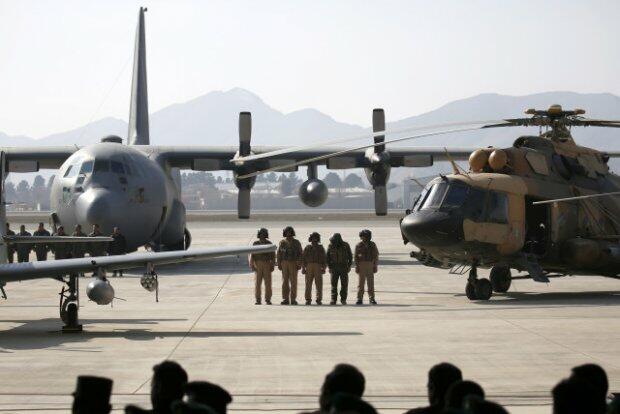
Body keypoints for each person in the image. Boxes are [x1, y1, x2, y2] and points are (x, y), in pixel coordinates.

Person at [276, 226, 302, 305]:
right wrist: (279, 263)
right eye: (287, 232)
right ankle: (285, 299)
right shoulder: (282, 242)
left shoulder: (296, 242)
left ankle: (293, 299)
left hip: (293, 263)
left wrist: (299, 263)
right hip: (284, 263)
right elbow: (279, 253)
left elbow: (300, 253)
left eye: (290, 232)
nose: (288, 233)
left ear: (292, 233)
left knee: (293, 282)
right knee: (285, 282)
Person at [250, 228, 275, 305]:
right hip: (258, 264)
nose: (262, 235)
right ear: (259, 234)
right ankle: (258, 299)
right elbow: (252, 255)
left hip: (267, 264)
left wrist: (272, 265)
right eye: (261, 234)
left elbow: (273, 256)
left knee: (268, 283)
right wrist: (252, 265)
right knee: (257, 283)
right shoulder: (255, 244)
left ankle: (268, 299)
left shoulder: (269, 243)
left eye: (264, 234)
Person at [326, 233, 352, 305]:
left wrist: (349, 266)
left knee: (344, 284)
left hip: (343, 267)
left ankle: (343, 299)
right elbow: (327, 257)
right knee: (334, 285)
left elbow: (350, 256)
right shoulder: (331, 245)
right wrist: (329, 267)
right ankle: (333, 299)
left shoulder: (345, 245)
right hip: (334, 267)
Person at [354, 229, 379, 305]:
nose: (363, 237)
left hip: (370, 264)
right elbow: (356, 257)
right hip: (361, 264)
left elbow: (376, 255)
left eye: (364, 236)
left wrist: (375, 265)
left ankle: (371, 298)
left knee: (370, 283)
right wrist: (357, 266)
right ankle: (359, 298)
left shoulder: (372, 245)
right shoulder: (359, 245)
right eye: (362, 236)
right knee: (361, 283)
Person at [302, 232, 327, 305]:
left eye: (316, 238)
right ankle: (308, 299)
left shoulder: (321, 248)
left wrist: (324, 268)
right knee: (308, 284)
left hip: (318, 266)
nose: (314, 239)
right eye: (313, 238)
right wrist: (303, 268)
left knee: (319, 284)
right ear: (311, 239)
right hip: (309, 266)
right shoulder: (307, 247)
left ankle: (319, 299)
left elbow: (324, 259)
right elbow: (303, 258)